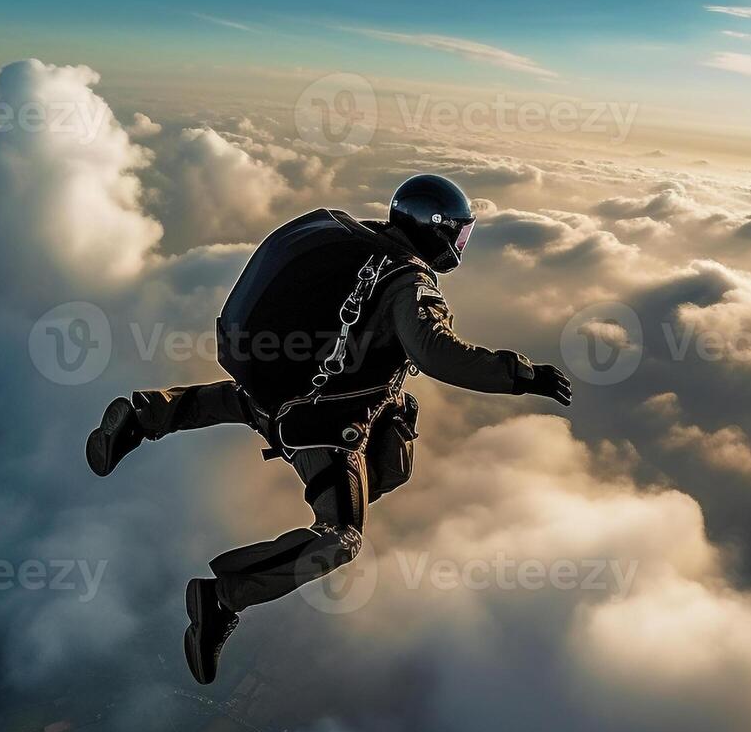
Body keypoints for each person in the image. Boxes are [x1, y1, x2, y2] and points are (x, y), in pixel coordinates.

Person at [84, 174, 573, 684]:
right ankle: (223, 596)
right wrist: (521, 374)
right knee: (340, 537)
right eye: (458, 234)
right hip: (320, 423)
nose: (459, 247)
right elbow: (436, 353)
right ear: (435, 230)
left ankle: (146, 414)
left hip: (275, 390)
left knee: (260, 405)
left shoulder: (355, 241)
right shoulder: (409, 285)